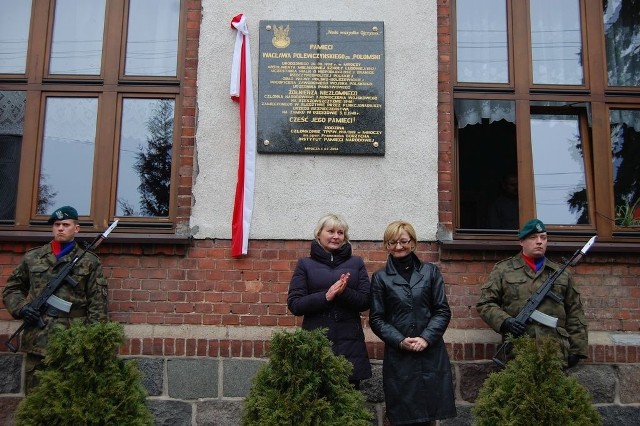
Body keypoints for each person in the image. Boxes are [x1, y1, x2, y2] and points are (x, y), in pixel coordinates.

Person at [2, 206, 109, 393]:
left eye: (66, 225)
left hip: (73, 341)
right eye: (57, 224)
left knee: (70, 401)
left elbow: (97, 305)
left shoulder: (89, 261)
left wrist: (91, 343)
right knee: (36, 401)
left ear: (76, 229)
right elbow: (12, 289)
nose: (60, 228)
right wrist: (23, 308)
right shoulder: (33, 257)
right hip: (38, 339)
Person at [369, 220, 456, 425]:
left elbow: (442, 310)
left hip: (430, 352)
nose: (398, 247)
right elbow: (377, 318)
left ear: (413, 242)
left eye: (403, 241)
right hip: (400, 356)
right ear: (386, 245)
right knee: (402, 416)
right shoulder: (381, 278)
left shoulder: (430, 272)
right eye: (392, 243)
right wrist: (400, 340)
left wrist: (426, 338)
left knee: (429, 415)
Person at [476, 218, 588, 368]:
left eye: (543, 237)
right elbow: (485, 303)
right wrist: (505, 321)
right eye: (533, 237)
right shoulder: (503, 270)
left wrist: (577, 348)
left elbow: (575, 312)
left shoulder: (561, 274)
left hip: (554, 351)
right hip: (518, 350)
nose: (539, 241)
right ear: (521, 242)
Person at [287, 213, 372, 388]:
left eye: (340, 233)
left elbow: (366, 301)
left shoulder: (356, 263)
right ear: (319, 234)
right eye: (331, 231)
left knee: (349, 402)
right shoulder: (305, 265)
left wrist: (344, 292)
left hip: (350, 346)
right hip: (316, 344)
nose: (336, 236)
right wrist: (326, 296)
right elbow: (295, 304)